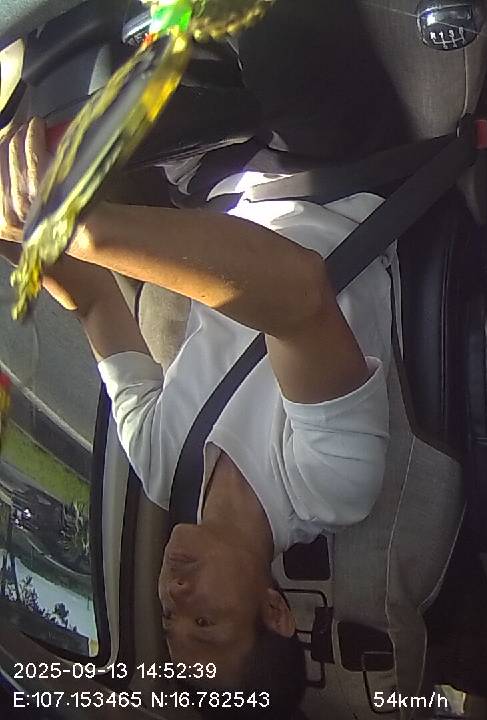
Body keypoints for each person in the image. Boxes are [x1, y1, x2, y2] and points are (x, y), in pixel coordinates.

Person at [1, 112, 394, 713]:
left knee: (67, 105)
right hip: (335, 170)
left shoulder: (159, 465)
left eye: (167, 620)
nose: (175, 593)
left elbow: (96, 303)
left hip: (214, 175)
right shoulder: (330, 485)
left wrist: (17, 233)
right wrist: (85, 231)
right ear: (273, 610)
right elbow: (297, 293)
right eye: (205, 622)